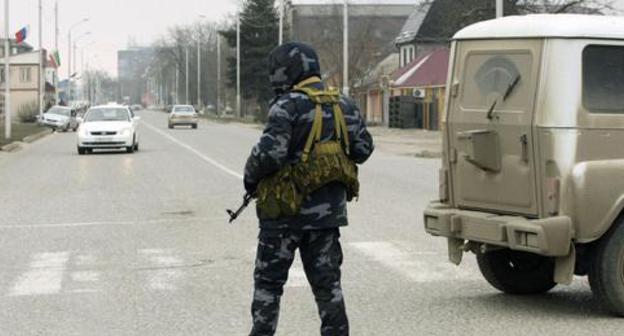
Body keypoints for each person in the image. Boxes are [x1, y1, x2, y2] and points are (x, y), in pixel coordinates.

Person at [243, 42, 374, 336]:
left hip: (282, 218)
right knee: (328, 288)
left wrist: (249, 180)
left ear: (288, 71)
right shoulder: (344, 104)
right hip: (326, 218)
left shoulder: (286, 105)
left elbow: (269, 155)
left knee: (268, 287)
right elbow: (364, 149)